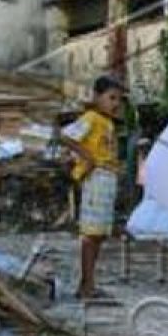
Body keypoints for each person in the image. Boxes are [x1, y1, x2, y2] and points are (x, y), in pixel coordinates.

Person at [61, 75, 124, 298]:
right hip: (96, 178)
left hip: (107, 178)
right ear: (97, 97)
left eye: (119, 99)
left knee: (99, 234)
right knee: (91, 235)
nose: (116, 103)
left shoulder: (106, 122)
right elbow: (67, 136)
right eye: (111, 98)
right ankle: (87, 286)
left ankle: (88, 283)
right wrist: (87, 157)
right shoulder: (91, 118)